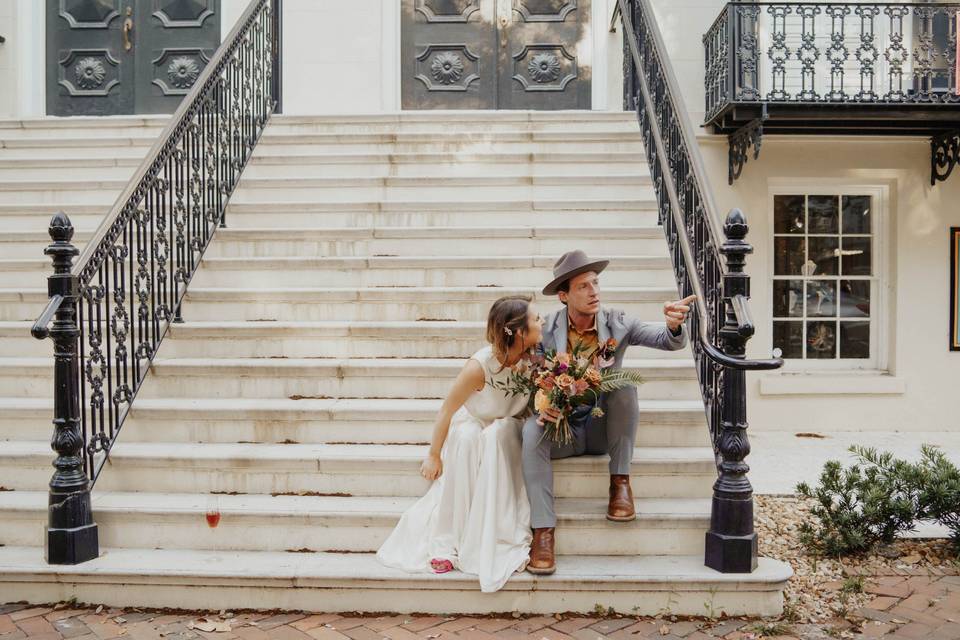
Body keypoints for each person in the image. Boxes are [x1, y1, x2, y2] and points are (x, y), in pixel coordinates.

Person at [521, 250, 695, 575]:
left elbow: (665, 341)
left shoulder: (617, 322)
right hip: (565, 431)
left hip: (603, 428)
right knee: (530, 430)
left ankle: (620, 484)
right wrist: (545, 402)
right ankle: (543, 533)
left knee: (623, 386)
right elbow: (532, 375)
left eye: (596, 283)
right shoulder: (545, 331)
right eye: (583, 286)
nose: (594, 291)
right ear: (564, 295)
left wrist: (673, 326)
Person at [377, 295, 544, 593]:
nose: (542, 323)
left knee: (498, 434)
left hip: (508, 426)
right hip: (474, 422)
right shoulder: (478, 367)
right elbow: (447, 410)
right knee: (467, 439)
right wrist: (433, 455)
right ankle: (448, 540)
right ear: (518, 331)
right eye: (536, 319)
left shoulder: (536, 359)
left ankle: (494, 532)